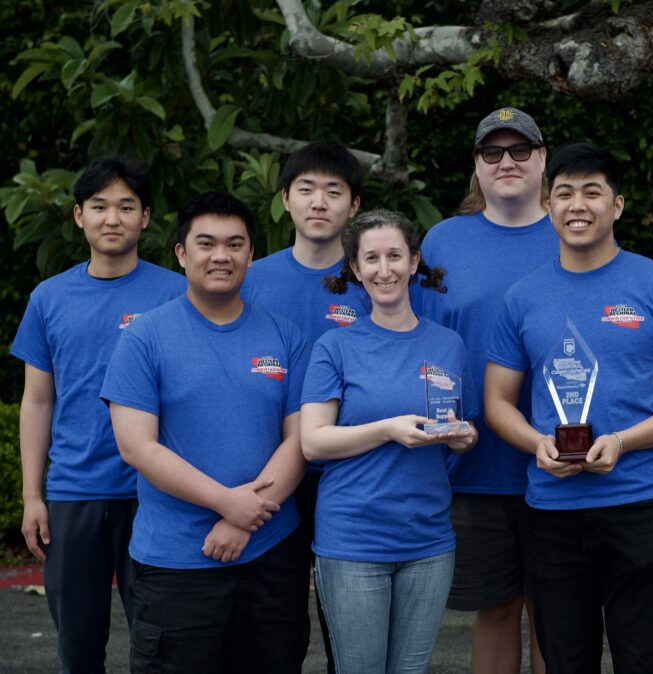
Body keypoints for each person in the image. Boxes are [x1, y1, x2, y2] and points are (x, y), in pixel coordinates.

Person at [485, 142, 653, 673]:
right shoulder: (523, 297)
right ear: (549, 207)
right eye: (564, 193)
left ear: (617, 206)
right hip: (551, 509)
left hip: (640, 505)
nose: (577, 204)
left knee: (648, 659)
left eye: (593, 192)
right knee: (566, 661)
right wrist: (535, 444)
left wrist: (623, 441)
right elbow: (497, 402)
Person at [101, 192, 311, 673]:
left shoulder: (285, 336)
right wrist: (225, 502)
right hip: (177, 563)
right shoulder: (144, 337)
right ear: (180, 253)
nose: (222, 255)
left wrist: (241, 520)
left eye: (235, 244)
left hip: (272, 558)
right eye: (207, 243)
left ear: (251, 254)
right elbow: (137, 446)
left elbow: (299, 439)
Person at [11, 157, 184, 673]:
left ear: (146, 217)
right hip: (74, 495)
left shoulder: (176, 293)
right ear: (78, 216)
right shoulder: (49, 298)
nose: (113, 218)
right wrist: (32, 496)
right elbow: (38, 400)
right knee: (78, 652)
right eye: (100, 206)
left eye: (126, 206)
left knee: (161, 648)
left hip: (156, 494)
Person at [300, 208, 479, 673]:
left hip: (428, 539)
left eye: (395, 255)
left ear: (414, 261)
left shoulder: (448, 345)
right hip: (354, 541)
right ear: (356, 270)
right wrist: (387, 430)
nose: (385, 270)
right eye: (372, 259)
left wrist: (463, 437)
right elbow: (313, 443)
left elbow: (455, 424)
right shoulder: (334, 347)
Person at [420, 106, 557, 674]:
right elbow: (421, 341)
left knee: (558, 613)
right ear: (476, 166)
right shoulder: (442, 242)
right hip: (474, 461)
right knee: (496, 609)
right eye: (492, 153)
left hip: (563, 456)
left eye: (520, 150)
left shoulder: (575, 229)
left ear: (543, 159)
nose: (507, 162)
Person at [242, 139, 367, 672]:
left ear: (353, 206)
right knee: (275, 628)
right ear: (286, 199)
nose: (319, 202)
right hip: (270, 470)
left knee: (350, 628)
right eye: (306, 190)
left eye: (333, 192)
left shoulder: (376, 278)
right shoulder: (251, 278)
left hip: (354, 471)